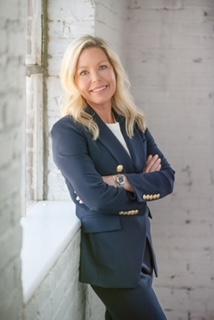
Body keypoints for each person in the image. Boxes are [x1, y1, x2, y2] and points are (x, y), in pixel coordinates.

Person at [51, 34, 175, 320]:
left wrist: (120, 180)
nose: (96, 78)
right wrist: (142, 180)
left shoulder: (132, 121)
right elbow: (97, 198)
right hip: (111, 259)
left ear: (114, 69)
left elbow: (167, 178)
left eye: (102, 67)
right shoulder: (68, 131)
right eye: (84, 72)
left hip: (140, 250)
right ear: (73, 80)